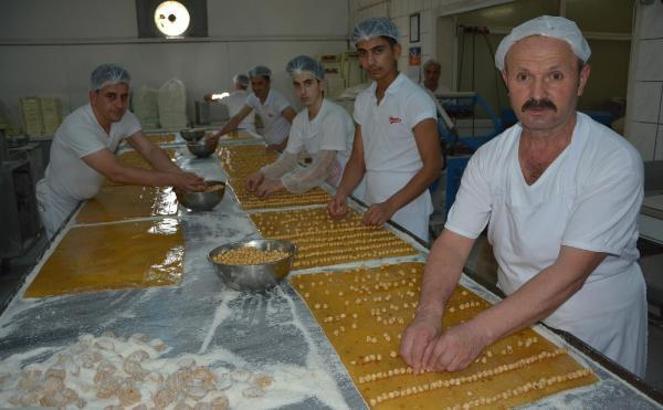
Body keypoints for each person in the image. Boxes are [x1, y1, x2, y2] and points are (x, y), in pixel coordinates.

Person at [400, 15, 647, 377]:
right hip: (511, 317)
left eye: (555, 76)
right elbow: (453, 243)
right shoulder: (490, 158)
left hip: (593, 331)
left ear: (582, 79)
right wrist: (428, 313)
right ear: (507, 81)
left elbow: (569, 274)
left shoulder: (612, 161)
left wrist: (475, 333)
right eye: (523, 77)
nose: (537, 93)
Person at [36, 64, 206, 239]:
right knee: (68, 259)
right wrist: (174, 179)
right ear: (93, 97)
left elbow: (149, 150)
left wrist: (182, 178)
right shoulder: (78, 126)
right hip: (60, 202)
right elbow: (116, 173)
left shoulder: (124, 118)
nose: (119, 104)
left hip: (88, 199)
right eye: (111, 96)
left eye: (124, 97)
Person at [327, 17, 441, 241]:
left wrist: (390, 206)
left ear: (396, 50)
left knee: (405, 272)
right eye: (363, 53)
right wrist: (341, 193)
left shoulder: (415, 99)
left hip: (407, 210)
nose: (371, 61)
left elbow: (433, 166)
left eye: (378, 50)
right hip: (373, 203)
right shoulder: (364, 100)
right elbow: (358, 159)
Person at [245, 55, 358, 198]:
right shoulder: (300, 119)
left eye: (308, 83)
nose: (302, 91)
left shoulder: (334, 116)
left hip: (347, 190)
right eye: (297, 85)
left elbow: (325, 165)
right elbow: (289, 159)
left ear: (321, 85)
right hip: (324, 185)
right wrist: (261, 173)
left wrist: (281, 184)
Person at [207, 65, 296, 151]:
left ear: (268, 83)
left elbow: (298, 124)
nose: (256, 88)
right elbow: (237, 119)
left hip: (287, 146)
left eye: (260, 83)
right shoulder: (253, 98)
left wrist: (282, 146)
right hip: (271, 144)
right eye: (253, 84)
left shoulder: (277, 100)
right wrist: (217, 136)